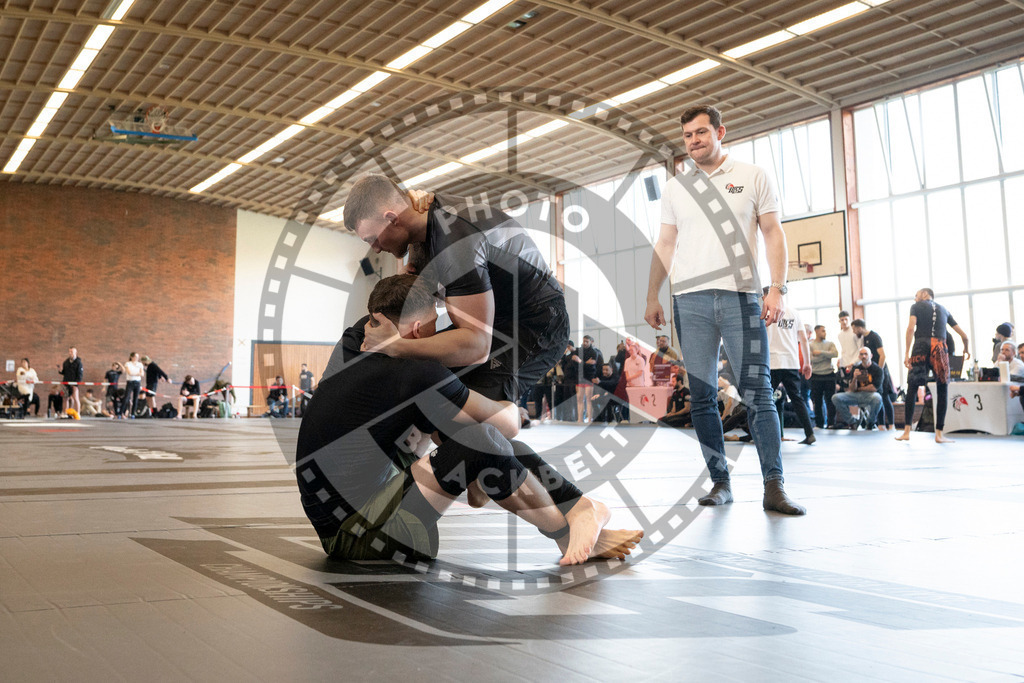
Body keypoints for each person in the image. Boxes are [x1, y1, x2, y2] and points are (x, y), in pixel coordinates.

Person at [295, 273, 642, 565]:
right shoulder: (416, 373)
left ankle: (578, 508)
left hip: (360, 510)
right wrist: (507, 406)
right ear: (416, 330)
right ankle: (566, 534)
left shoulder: (354, 342)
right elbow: (507, 424)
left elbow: (397, 297)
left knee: (488, 444)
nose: (441, 330)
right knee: (486, 438)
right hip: (359, 537)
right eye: (435, 319)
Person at [643, 103, 805, 515]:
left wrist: (776, 288)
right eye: (687, 136)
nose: (694, 141)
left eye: (701, 133)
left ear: (721, 132)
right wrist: (651, 296)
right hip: (690, 301)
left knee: (759, 394)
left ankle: (775, 486)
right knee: (701, 397)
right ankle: (720, 482)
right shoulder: (677, 187)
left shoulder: (752, 176)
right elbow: (665, 244)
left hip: (741, 297)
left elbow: (773, 233)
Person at [346, 176, 569, 417]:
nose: (376, 248)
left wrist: (397, 346)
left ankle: (509, 422)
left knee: (458, 419)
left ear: (391, 218)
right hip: (493, 322)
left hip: (536, 323)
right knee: (421, 389)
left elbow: (477, 347)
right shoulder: (423, 216)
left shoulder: (456, 242)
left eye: (372, 238)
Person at [897, 288, 971, 443]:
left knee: (912, 387)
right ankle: (939, 434)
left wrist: (906, 353)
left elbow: (911, 328)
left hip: (921, 346)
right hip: (939, 347)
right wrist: (966, 349)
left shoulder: (916, 307)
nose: (915, 298)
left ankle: (906, 431)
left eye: (915, 295)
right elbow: (964, 335)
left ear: (924, 295)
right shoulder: (944, 309)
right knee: (942, 388)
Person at [765, 293, 815, 445]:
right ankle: (810, 433)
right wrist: (807, 363)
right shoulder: (794, 313)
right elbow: (804, 340)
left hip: (773, 361)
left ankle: (763, 433)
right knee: (797, 398)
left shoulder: (766, 311)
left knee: (765, 399)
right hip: (791, 362)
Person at [850, 319, 896, 430]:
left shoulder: (874, 336)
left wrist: (879, 371)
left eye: (854, 329)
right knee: (878, 397)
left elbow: (882, 355)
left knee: (884, 397)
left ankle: (891, 425)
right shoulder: (864, 339)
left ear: (859, 327)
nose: (854, 332)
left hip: (880, 371)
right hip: (872, 372)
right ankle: (881, 424)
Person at [832, 347, 883, 429]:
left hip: (870, 396)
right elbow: (852, 389)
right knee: (836, 398)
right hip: (856, 395)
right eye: (861, 354)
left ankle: (870, 422)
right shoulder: (856, 368)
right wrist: (855, 378)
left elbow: (873, 388)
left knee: (877, 398)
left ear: (871, 356)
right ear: (859, 357)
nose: (864, 356)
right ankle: (852, 422)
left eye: (866, 354)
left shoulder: (877, 370)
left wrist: (859, 389)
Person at [808, 325, 838, 429]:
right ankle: (819, 424)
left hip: (829, 374)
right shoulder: (810, 345)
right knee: (817, 400)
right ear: (816, 331)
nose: (825, 333)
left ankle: (831, 423)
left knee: (831, 400)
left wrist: (820, 353)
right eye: (823, 331)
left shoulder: (830, 344)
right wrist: (826, 356)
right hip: (816, 375)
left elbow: (835, 354)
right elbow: (811, 360)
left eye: (825, 331)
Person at [576, 335, 601, 424]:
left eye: (587, 341)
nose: (585, 343)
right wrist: (585, 362)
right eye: (584, 341)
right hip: (580, 377)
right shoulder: (580, 351)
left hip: (590, 377)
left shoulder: (594, 352)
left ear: (591, 342)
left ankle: (590, 418)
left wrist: (581, 362)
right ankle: (580, 419)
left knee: (589, 399)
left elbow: (593, 363)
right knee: (579, 399)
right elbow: (577, 364)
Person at [836, 311, 861, 392]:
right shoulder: (840, 335)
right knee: (846, 389)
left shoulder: (855, 332)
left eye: (846, 319)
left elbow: (861, 349)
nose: (844, 322)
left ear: (850, 319)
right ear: (839, 321)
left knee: (857, 388)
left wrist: (854, 363)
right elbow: (845, 350)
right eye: (842, 320)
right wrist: (841, 361)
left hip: (856, 364)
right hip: (845, 365)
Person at [57, 346, 83, 417]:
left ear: (76, 353)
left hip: (74, 383)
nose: (70, 353)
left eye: (72, 352)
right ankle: (64, 413)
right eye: (69, 352)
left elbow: (80, 375)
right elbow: (64, 372)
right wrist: (60, 371)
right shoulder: (66, 362)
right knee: (65, 398)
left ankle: (78, 413)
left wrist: (76, 384)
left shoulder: (78, 362)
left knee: (75, 398)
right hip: (66, 383)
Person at [122, 352, 143, 419]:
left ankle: (133, 413)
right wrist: (138, 373)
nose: (137, 358)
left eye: (137, 357)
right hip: (130, 382)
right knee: (126, 397)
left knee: (135, 398)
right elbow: (129, 372)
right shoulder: (128, 363)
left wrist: (136, 373)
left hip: (137, 382)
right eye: (135, 357)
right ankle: (121, 412)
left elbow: (142, 374)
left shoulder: (140, 364)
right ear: (132, 357)